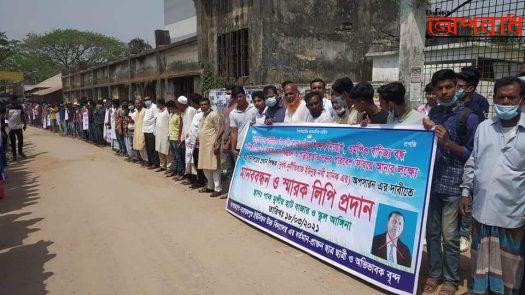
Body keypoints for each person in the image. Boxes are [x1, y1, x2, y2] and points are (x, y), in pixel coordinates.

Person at [459, 76, 525, 295]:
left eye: (511, 98)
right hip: (481, 212)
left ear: (521, 100)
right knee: (480, 263)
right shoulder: (484, 128)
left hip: (512, 216)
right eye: (501, 97)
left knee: (510, 272)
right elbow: (473, 162)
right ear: (494, 98)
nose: (506, 102)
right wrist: (466, 191)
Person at [422, 69, 481, 295]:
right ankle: (434, 274)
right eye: (440, 88)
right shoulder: (433, 113)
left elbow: (473, 154)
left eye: (449, 87)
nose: (445, 92)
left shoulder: (470, 117)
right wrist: (424, 129)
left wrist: (448, 144)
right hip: (431, 185)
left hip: (454, 186)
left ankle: (451, 279)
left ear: (457, 87)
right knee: (432, 233)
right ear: (435, 91)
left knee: (450, 235)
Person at [197, 97, 223, 198]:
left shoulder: (214, 114)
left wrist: (217, 143)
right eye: (201, 105)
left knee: (214, 166)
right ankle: (210, 186)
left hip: (212, 144)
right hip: (204, 145)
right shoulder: (203, 115)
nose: (203, 106)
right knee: (205, 166)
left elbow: (220, 128)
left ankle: (218, 188)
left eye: (205, 104)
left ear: (209, 105)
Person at [184, 94, 206, 188]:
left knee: (200, 162)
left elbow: (202, 128)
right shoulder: (197, 112)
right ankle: (199, 179)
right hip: (193, 142)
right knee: (196, 161)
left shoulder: (202, 114)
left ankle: (202, 181)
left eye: (192, 102)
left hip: (199, 142)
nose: (191, 104)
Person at [229, 86, 257, 158]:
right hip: (240, 147)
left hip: (255, 145)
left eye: (240, 96)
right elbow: (233, 132)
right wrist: (233, 148)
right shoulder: (232, 113)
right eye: (236, 98)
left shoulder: (255, 108)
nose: (239, 99)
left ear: (245, 95)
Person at [220, 85, 237, 182]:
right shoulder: (226, 108)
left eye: (229, 94)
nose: (227, 96)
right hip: (226, 141)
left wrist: (228, 143)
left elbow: (235, 129)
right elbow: (223, 125)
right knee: (229, 167)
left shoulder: (236, 108)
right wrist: (218, 139)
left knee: (235, 167)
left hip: (233, 143)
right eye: (226, 93)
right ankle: (230, 191)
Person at [167, 99, 184, 179]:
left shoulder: (179, 115)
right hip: (171, 137)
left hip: (176, 138)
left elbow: (180, 127)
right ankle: (174, 169)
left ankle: (180, 172)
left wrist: (179, 138)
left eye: (170, 108)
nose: (169, 109)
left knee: (178, 156)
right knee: (173, 155)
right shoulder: (172, 114)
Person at [7, 96, 27, 160]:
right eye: (12, 100)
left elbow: (22, 115)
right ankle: (14, 155)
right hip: (11, 127)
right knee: (13, 141)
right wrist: (6, 125)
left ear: (16, 100)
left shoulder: (20, 106)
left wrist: (25, 124)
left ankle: (20, 152)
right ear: (11, 100)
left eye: (14, 100)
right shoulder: (8, 107)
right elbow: (6, 116)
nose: (13, 102)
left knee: (20, 140)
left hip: (18, 126)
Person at [154, 99, 171, 173]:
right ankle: (162, 165)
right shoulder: (158, 112)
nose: (157, 105)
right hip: (158, 134)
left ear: (161, 104)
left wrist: (169, 133)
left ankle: (169, 167)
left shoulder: (167, 111)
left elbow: (170, 122)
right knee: (159, 150)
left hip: (165, 134)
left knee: (166, 151)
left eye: (157, 104)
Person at [143, 97, 160, 169]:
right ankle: (150, 161)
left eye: (147, 100)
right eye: (145, 100)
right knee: (148, 147)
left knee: (152, 147)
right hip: (146, 130)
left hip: (151, 130)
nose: (146, 101)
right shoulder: (147, 108)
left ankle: (155, 163)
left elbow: (156, 118)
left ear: (151, 100)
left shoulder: (154, 107)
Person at [132, 98, 148, 165]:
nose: (137, 104)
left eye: (138, 103)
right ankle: (143, 160)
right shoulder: (135, 112)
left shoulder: (145, 111)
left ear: (141, 103)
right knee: (139, 146)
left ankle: (147, 160)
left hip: (143, 131)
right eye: (136, 103)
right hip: (136, 131)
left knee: (143, 146)